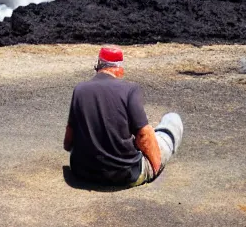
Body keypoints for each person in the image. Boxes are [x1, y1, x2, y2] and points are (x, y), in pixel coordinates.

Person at [63, 46, 183, 187]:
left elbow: (68, 141)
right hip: (125, 175)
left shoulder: (79, 90)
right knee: (172, 120)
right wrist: (155, 168)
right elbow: (144, 135)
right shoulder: (130, 90)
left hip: (82, 172)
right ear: (119, 68)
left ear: (98, 66)